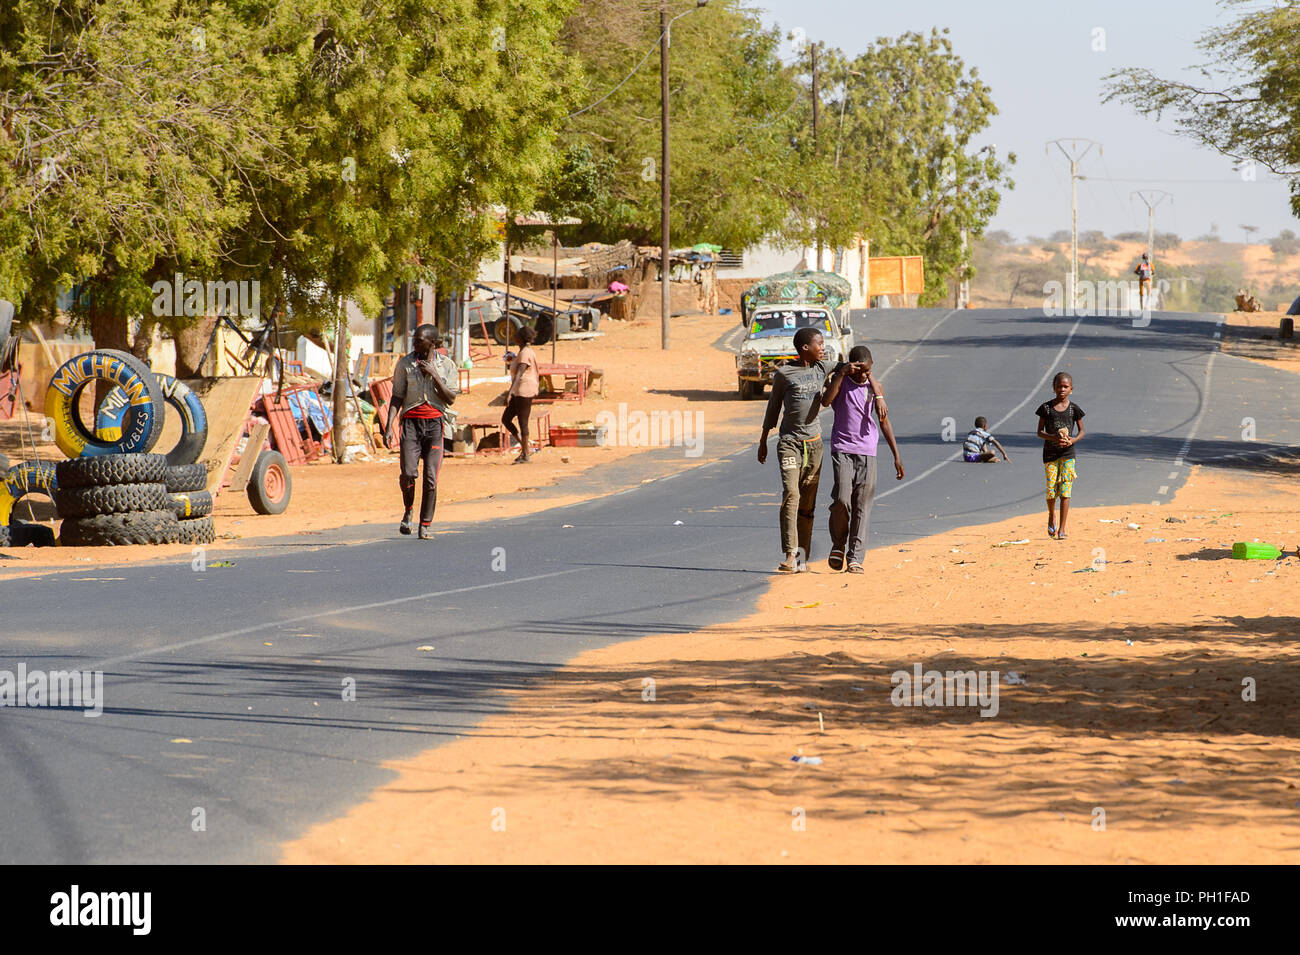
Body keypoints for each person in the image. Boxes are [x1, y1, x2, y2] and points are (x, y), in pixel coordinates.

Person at [757, 328, 887, 573]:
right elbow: (773, 408)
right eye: (819, 343)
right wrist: (764, 439)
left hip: (814, 445)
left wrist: (876, 392)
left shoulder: (823, 367)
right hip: (789, 443)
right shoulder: (784, 374)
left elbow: (855, 367)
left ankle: (801, 559)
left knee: (807, 506)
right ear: (805, 347)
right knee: (791, 494)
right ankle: (790, 554)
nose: (823, 347)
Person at [820, 345, 903, 574]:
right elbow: (826, 402)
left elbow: (884, 422)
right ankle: (838, 544)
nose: (863, 375)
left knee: (862, 506)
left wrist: (896, 456)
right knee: (841, 499)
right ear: (851, 366)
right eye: (859, 369)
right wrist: (841, 373)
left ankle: (855, 557)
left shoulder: (875, 390)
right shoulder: (841, 382)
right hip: (842, 449)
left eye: (867, 371)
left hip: (868, 451)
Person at [384, 324, 458, 539]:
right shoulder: (405, 364)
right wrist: (389, 425)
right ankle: (408, 511)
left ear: (432, 343)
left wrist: (434, 374)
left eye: (419, 341)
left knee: (431, 477)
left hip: (435, 424)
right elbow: (397, 396)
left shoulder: (447, 366)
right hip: (411, 424)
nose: (414, 344)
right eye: (413, 340)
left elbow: (451, 398)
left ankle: (425, 524)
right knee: (408, 473)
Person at [1035, 372, 1086, 540]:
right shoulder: (1046, 408)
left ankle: (1062, 528)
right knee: (1051, 491)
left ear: (1071, 389)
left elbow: (1082, 431)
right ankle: (1051, 515)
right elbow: (1039, 432)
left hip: (1067, 454)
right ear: (1054, 388)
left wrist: (1072, 441)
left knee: (1065, 489)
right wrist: (1053, 437)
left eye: (1065, 387)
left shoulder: (1074, 409)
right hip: (1050, 454)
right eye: (1059, 386)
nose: (1062, 389)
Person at [502, 325, 540, 463]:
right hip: (519, 390)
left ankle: (526, 454)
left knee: (523, 423)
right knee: (506, 419)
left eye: (516, 335)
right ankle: (525, 449)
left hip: (524, 391)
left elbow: (520, 373)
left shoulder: (525, 353)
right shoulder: (523, 352)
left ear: (521, 338)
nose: (514, 337)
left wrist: (509, 393)